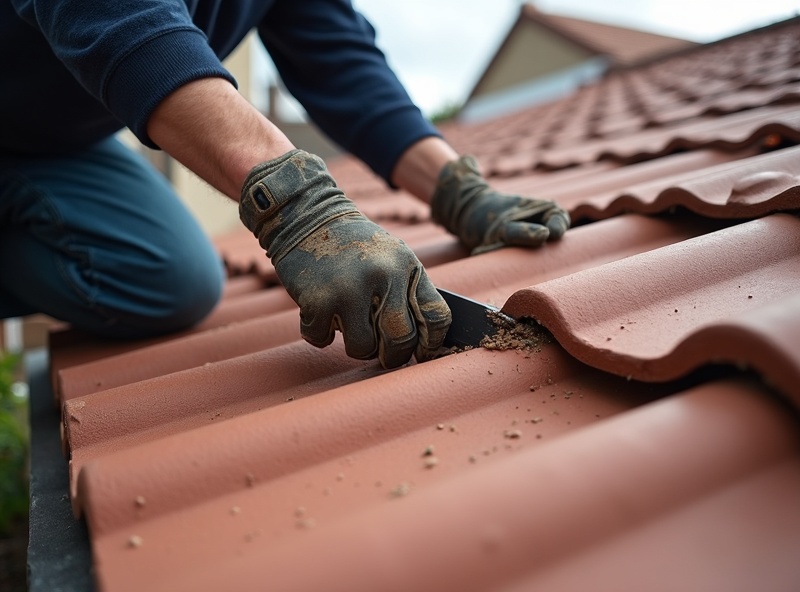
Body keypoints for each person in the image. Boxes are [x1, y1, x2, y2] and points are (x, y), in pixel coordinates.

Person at [0, 0, 570, 369]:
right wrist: (299, 205)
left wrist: (457, 190)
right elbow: (123, 21)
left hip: (51, 145)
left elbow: (343, 66)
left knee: (169, 278)